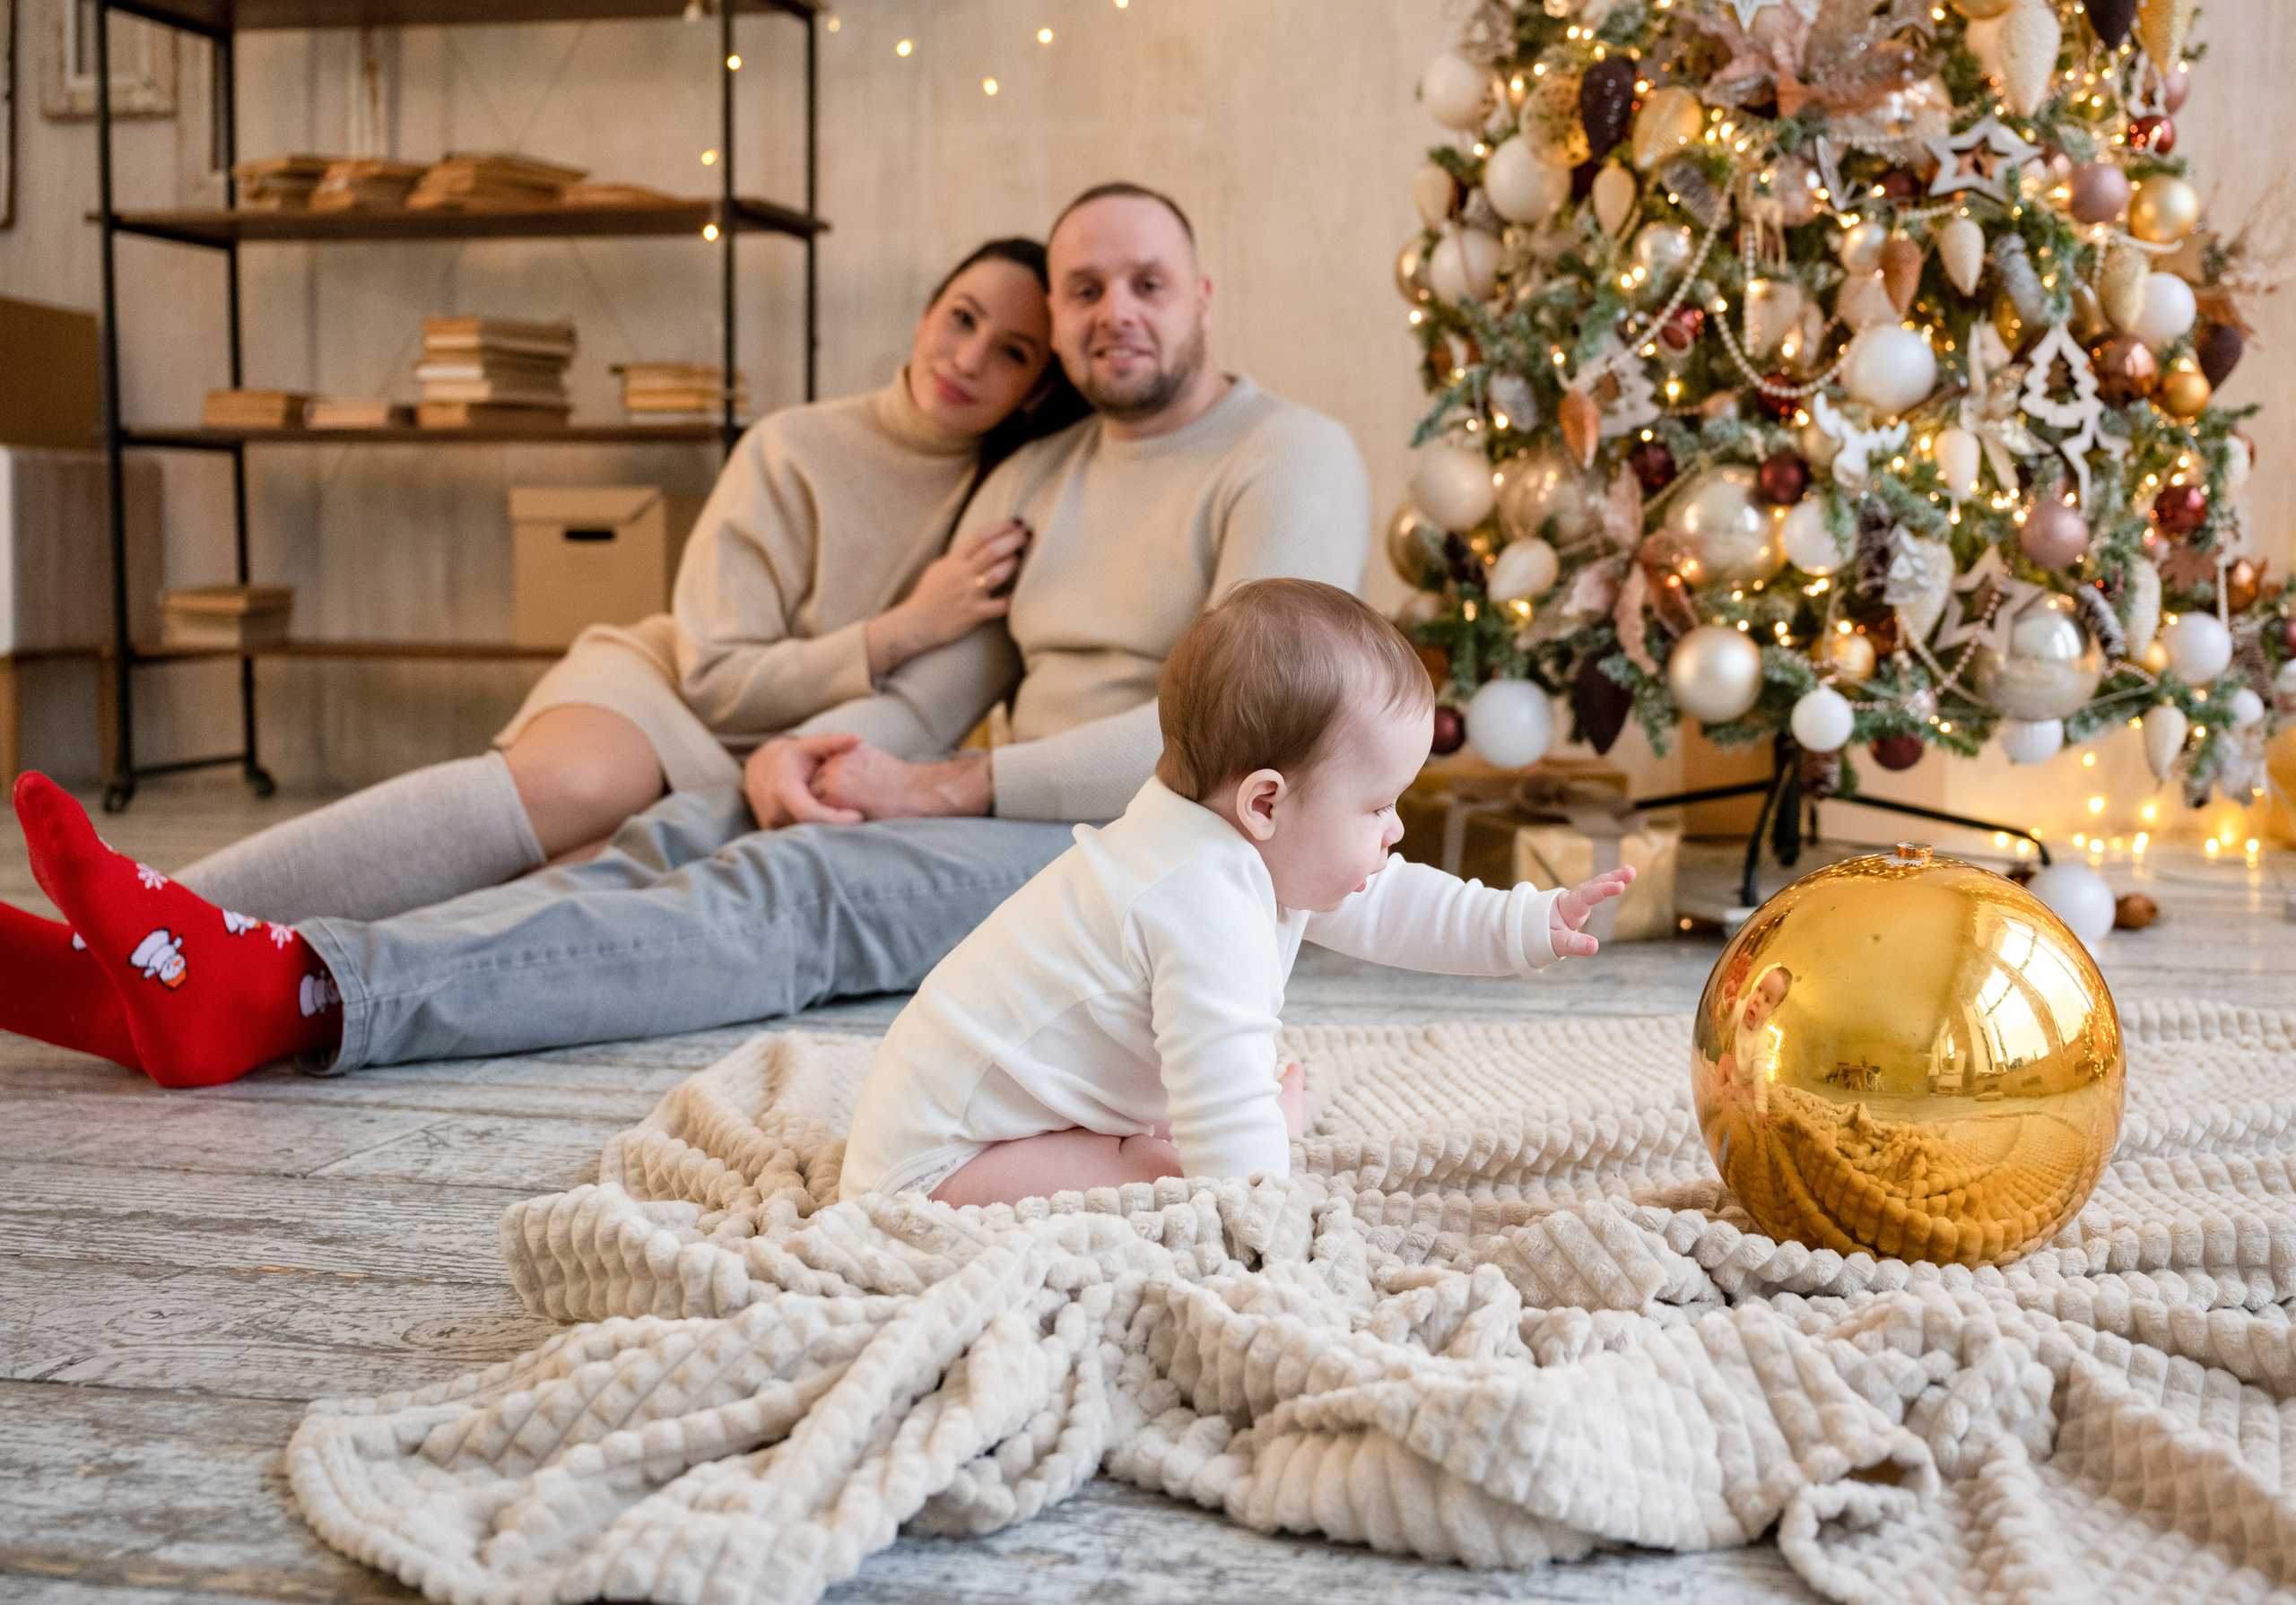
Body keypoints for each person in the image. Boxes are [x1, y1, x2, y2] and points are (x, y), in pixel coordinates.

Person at [2, 181, 1373, 1089]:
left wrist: (943, 785)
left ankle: (301, 991)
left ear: (1203, 296)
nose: (1111, 313)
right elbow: (955, 676)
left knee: (798, 896)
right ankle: (207, 956)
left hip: (1171, 857)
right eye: (1083, 291)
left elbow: (1234, 741)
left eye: (1145, 283)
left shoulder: (1294, 456)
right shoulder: (1037, 478)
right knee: (693, 825)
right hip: (1030, 820)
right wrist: (817, 763)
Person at [168, 237, 1084, 927]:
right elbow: (717, 679)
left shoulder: (1000, 506)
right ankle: (163, 917)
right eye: (960, 318)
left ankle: (265, 979)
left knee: (597, 865)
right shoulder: (791, 445)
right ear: (926, 313)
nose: (968, 358)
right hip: (662, 686)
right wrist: (901, 630)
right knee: (578, 781)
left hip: (775, 755)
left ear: (1040, 386)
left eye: (1012, 350)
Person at [838, 580, 1635, 1206]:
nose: (1395, 830)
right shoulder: (1200, 903)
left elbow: (1394, 905)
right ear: (1265, 802)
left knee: (1162, 1136)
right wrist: (1262, 1164)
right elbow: (1231, 1155)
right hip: (939, 1170)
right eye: (1379, 806)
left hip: (1011, 1125)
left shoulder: (1244, 842)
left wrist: (1527, 921)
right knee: (1160, 1170)